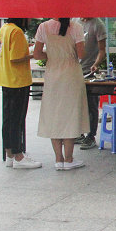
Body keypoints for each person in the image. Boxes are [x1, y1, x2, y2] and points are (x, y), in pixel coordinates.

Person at [33, 18, 89, 170]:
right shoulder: (76, 27)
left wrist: (52, 55)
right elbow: (81, 53)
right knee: (70, 115)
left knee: (54, 115)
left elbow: (37, 54)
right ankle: (69, 159)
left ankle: (58, 159)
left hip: (53, 75)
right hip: (71, 74)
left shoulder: (43, 27)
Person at [0, 18, 41, 169]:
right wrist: (35, 54)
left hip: (5, 79)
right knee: (17, 120)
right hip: (18, 81)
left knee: (7, 119)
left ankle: (10, 155)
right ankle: (19, 156)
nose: (29, 20)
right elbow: (16, 58)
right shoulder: (17, 32)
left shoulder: (4, 29)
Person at [74, 17, 107, 150]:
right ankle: (79, 134)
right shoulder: (75, 22)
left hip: (89, 71)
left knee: (91, 105)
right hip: (75, 70)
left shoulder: (97, 24)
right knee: (76, 105)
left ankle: (91, 135)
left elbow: (102, 50)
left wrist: (96, 64)